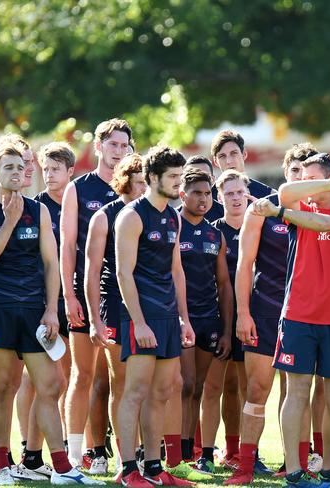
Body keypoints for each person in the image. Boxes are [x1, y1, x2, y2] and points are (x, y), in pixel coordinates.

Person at [0, 140, 102, 485]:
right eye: (8, 167)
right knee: (1, 385)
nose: (17, 173)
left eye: (20, 167)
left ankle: (61, 468)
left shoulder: (38, 210)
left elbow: (51, 262)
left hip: (35, 311)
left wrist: (52, 311)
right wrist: (9, 223)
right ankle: (1, 465)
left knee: (51, 383)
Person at [252, 152, 330, 488]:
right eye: (306, 180)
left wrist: (282, 211)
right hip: (299, 317)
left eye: (314, 180)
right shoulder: (298, 207)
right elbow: (286, 192)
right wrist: (327, 184)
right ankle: (294, 474)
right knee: (297, 394)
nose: (307, 186)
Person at [224, 143, 316, 485]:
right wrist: (243, 313)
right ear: (285, 173)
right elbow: (244, 266)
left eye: (306, 175)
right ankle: (246, 466)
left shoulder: (320, 214)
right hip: (264, 311)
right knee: (258, 389)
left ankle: (297, 464)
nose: (299, 179)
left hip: (304, 314)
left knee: (298, 392)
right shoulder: (262, 210)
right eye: (294, 172)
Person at [115, 146, 195, 487]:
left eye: (181, 176)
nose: (179, 184)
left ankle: (152, 467)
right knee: (134, 391)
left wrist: (184, 318)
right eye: (173, 177)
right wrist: (140, 322)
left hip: (167, 316)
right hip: (140, 317)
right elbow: (123, 273)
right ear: (152, 178)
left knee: (161, 393)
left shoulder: (174, 216)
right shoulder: (132, 216)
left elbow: (177, 271)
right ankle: (127, 469)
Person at [61, 118, 130, 468]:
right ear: (99, 146)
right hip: (84, 294)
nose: (118, 151)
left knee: (117, 381)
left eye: (124, 146)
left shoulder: (133, 190)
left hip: (122, 298)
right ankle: (77, 456)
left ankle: (121, 456)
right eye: (113, 145)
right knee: (83, 375)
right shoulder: (79, 188)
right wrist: (69, 296)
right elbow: (67, 246)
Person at [10, 142, 77, 481]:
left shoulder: (78, 205)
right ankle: (30, 447)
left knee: (63, 380)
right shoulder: (34, 208)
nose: (49, 175)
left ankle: (64, 450)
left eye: (55, 169)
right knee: (39, 380)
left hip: (75, 299)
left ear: (70, 172)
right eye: (45, 169)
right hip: (43, 303)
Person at [84, 153, 146, 476]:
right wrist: (95, 319)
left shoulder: (149, 213)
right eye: (139, 183)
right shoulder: (104, 217)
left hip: (146, 306)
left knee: (144, 385)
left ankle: (141, 453)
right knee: (118, 383)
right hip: (112, 306)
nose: (144, 188)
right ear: (124, 182)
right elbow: (92, 273)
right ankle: (124, 459)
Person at [176, 167, 233, 479]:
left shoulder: (216, 234)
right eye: (196, 192)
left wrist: (226, 330)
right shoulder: (172, 225)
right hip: (178, 319)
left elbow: (224, 285)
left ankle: (190, 450)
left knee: (197, 387)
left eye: (208, 193)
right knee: (182, 385)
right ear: (182, 194)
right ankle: (175, 451)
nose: (203, 198)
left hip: (208, 319)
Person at [200, 170, 251, 473]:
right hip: (217, 320)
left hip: (251, 319)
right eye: (228, 193)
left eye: (239, 192)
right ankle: (206, 453)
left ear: (247, 194)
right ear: (220, 198)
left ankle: (245, 454)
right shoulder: (212, 231)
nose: (234, 198)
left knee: (249, 390)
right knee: (212, 389)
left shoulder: (260, 228)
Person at [205, 130, 273, 222]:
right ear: (216, 161)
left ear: (244, 154)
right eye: (222, 156)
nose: (228, 161)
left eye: (234, 153)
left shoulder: (268, 195)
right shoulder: (207, 200)